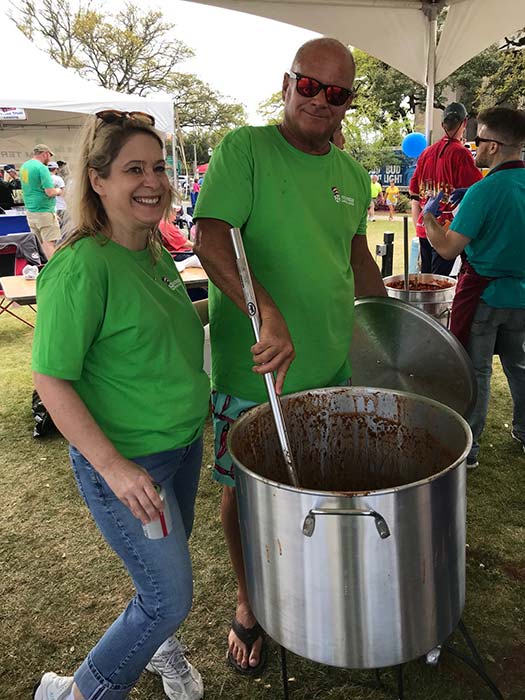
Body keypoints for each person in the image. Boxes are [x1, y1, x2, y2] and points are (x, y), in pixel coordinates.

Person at [193, 37, 386, 675]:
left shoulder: (354, 175)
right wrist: (263, 309)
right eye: (310, 85)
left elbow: (356, 259)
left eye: (338, 94)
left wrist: (393, 331)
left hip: (331, 365)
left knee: (316, 483)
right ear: (287, 83)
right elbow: (211, 234)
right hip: (259, 367)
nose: (321, 102)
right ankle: (250, 602)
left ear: (347, 103)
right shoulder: (244, 149)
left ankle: (308, 583)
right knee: (243, 490)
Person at [31, 110, 209, 700]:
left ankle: (160, 651)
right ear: (98, 179)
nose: (152, 181)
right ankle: (80, 693)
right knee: (168, 597)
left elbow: (158, 331)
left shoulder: (152, 248)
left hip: (181, 448)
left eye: (158, 167)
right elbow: (51, 379)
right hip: (133, 467)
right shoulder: (82, 265)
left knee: (162, 582)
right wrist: (113, 466)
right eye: (133, 168)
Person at [422, 106, 525, 469]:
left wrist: (429, 217)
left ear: (494, 147)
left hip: (485, 295)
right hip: (521, 295)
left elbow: (447, 247)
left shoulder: (485, 191)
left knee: (475, 372)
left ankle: (471, 451)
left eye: (477, 140)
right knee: (519, 365)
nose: (472, 146)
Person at [409, 102, 482, 276]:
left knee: (427, 280)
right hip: (446, 232)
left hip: (424, 227)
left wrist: (418, 225)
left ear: (442, 125)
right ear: (464, 123)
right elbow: (478, 191)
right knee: (438, 283)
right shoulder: (461, 153)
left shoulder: (426, 153)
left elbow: (414, 194)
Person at [19, 144, 62, 259]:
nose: (49, 159)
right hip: (44, 210)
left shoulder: (24, 167)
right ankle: (55, 272)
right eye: (49, 155)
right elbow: (50, 192)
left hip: (30, 211)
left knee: (41, 243)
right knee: (50, 244)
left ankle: (47, 268)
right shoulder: (42, 168)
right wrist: (59, 190)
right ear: (45, 154)